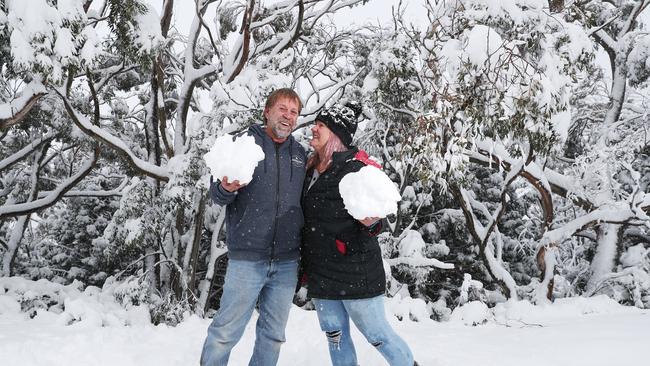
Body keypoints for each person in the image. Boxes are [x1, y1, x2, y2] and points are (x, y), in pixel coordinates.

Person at [301, 102, 417, 366]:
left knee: (378, 336)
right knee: (335, 337)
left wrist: (372, 222)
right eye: (315, 124)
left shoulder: (358, 168)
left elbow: (380, 217)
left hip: (356, 272)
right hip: (321, 272)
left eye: (321, 126)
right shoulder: (310, 170)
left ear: (337, 135)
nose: (314, 130)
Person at [201, 88, 306, 366]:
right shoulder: (243, 143)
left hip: (286, 262)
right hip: (248, 258)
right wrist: (225, 187)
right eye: (282, 109)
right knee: (225, 332)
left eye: (294, 112)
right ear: (267, 111)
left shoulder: (300, 153)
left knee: (272, 335)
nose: (288, 116)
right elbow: (218, 194)